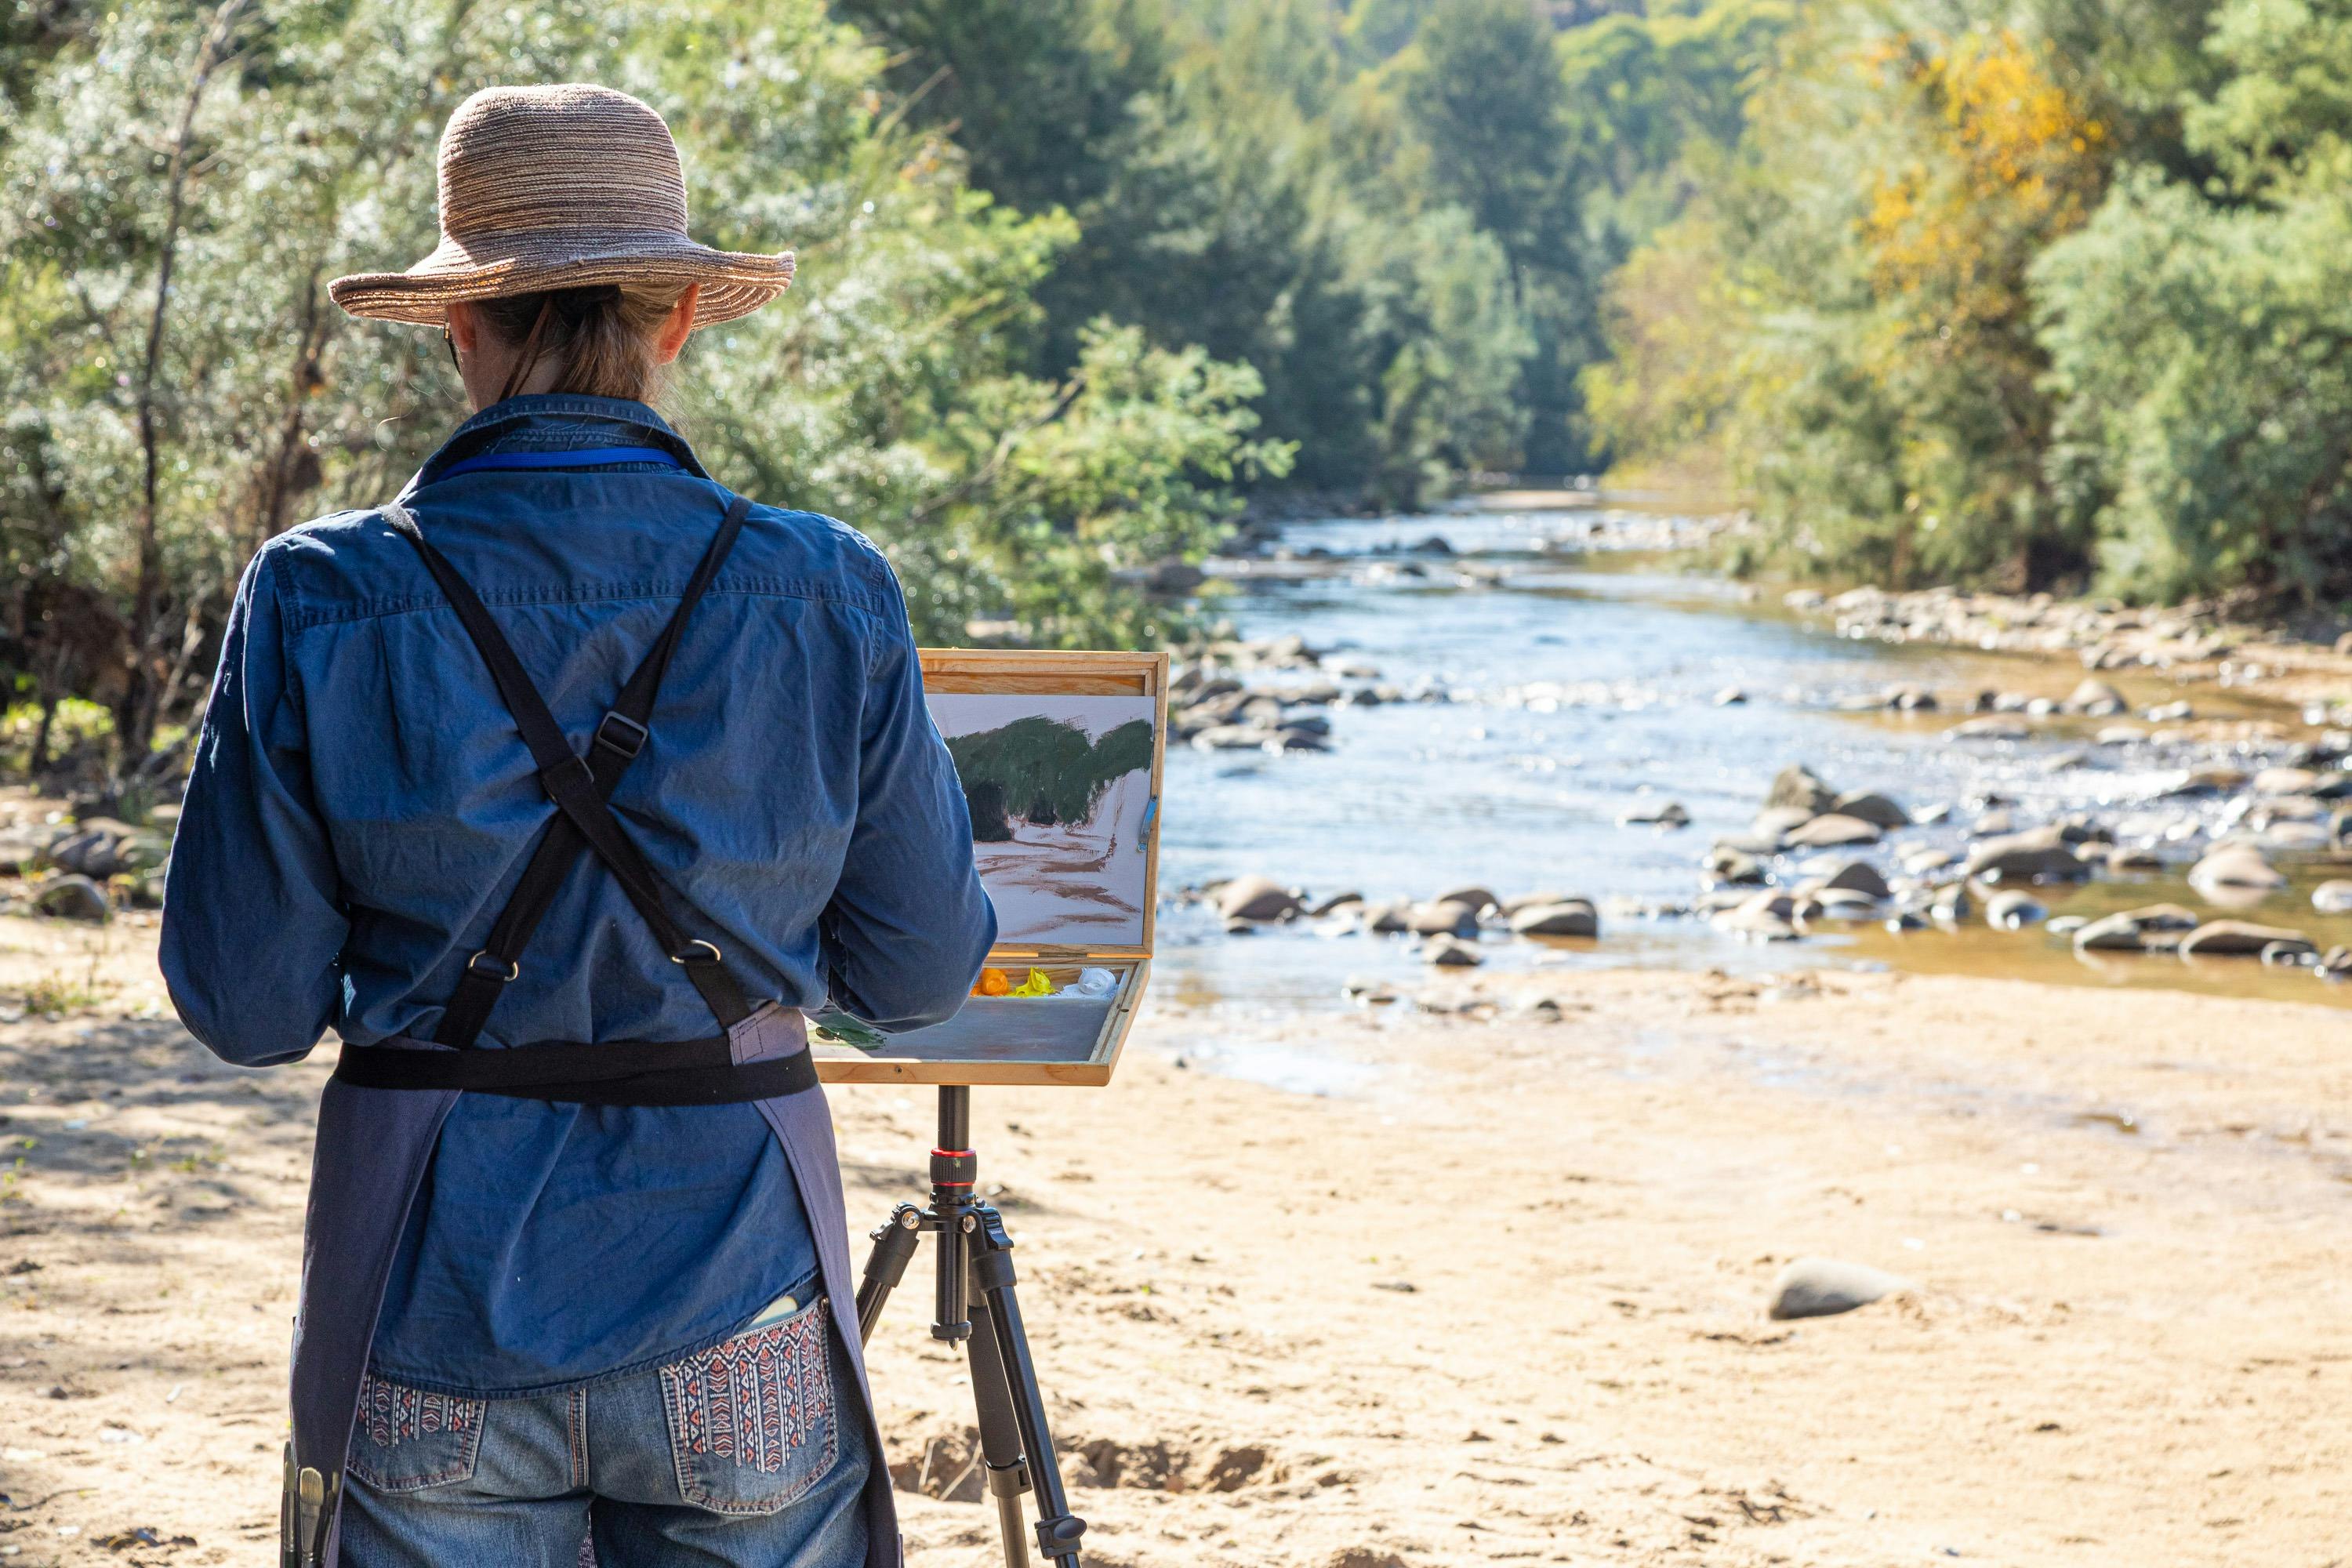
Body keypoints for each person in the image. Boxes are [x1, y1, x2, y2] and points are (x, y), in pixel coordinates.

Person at [158, 84, 994, 1568]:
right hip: (735, 1289)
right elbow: (919, 976)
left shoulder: (319, 592)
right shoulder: (826, 585)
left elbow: (246, 1007)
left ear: (456, 327)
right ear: (676, 322)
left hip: (431, 1305)